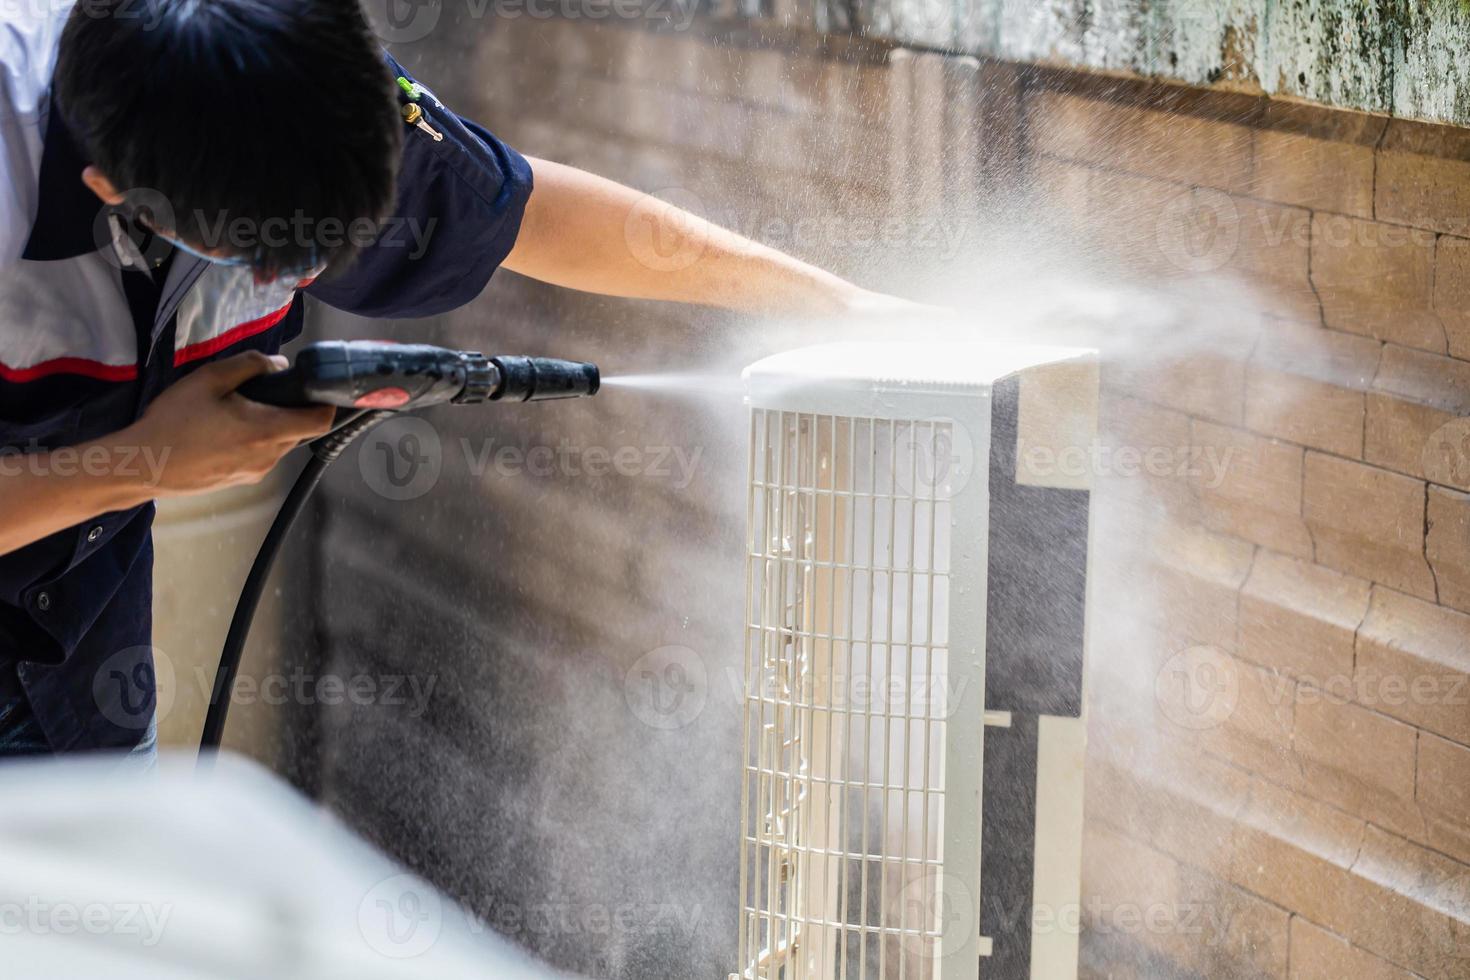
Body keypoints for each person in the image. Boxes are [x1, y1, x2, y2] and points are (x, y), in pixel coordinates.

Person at [0, 0, 910, 758]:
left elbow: (533, 214)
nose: (297, 277)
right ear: (117, 190)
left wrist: (836, 307)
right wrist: (145, 461)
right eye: (267, 257)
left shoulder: (289, 78)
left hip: (76, 672)